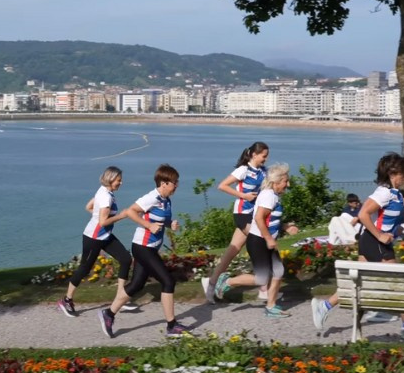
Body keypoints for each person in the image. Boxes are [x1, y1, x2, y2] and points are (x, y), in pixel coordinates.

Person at [310, 153, 404, 339]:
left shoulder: (395, 194)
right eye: (403, 171)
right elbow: (363, 213)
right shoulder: (383, 192)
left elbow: (394, 218)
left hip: (373, 241)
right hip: (375, 242)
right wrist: (379, 235)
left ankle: (325, 306)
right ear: (393, 173)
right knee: (398, 282)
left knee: (359, 283)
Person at [98, 164, 190, 338]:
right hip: (142, 247)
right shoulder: (152, 197)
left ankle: (108, 314)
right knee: (168, 281)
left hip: (150, 248)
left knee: (136, 285)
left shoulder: (166, 200)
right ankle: (171, 325)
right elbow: (131, 211)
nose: (177, 185)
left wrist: (171, 224)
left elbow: (162, 220)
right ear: (164, 183)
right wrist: (148, 225)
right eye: (174, 182)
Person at [213, 163, 299, 317]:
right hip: (258, 241)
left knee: (279, 271)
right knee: (262, 278)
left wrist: (285, 227)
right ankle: (227, 282)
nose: (288, 184)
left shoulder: (273, 195)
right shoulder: (268, 196)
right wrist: (268, 239)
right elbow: (259, 218)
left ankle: (271, 307)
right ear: (276, 182)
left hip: (265, 240)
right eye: (285, 181)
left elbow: (268, 219)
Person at [58, 166, 133, 317]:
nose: (121, 182)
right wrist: (123, 215)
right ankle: (66, 300)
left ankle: (120, 298)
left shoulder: (104, 191)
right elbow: (103, 222)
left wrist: (97, 215)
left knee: (125, 259)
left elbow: (88, 207)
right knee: (85, 269)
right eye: (119, 180)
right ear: (111, 180)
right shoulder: (105, 197)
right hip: (93, 238)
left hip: (104, 236)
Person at [203, 142, 269, 304]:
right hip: (242, 215)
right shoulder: (243, 170)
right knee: (261, 243)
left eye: (266, 156)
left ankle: (210, 283)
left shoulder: (264, 172)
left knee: (232, 251)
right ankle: (263, 289)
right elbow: (222, 186)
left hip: (254, 215)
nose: (265, 159)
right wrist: (244, 196)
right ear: (254, 155)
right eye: (263, 156)